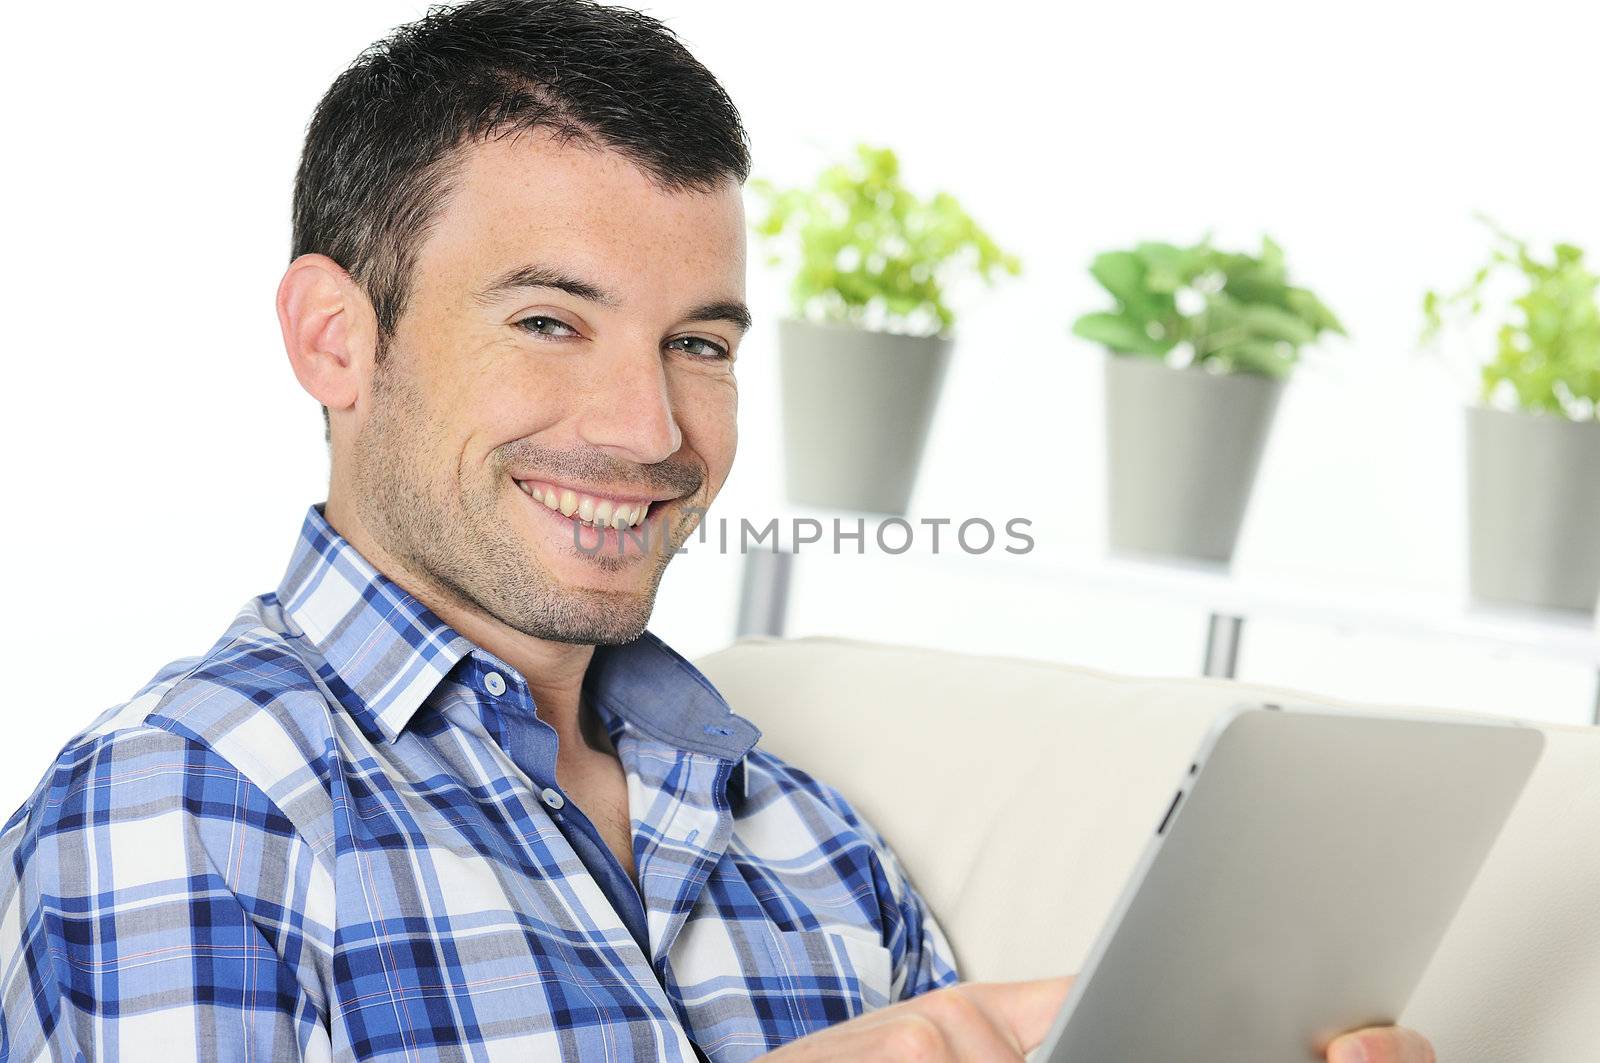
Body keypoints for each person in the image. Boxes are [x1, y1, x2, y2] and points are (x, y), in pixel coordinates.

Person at [0, 2, 1435, 1060]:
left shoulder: (811, 843)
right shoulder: (180, 813)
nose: (649, 430)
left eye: (700, 342)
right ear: (336, 339)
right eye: (550, 322)